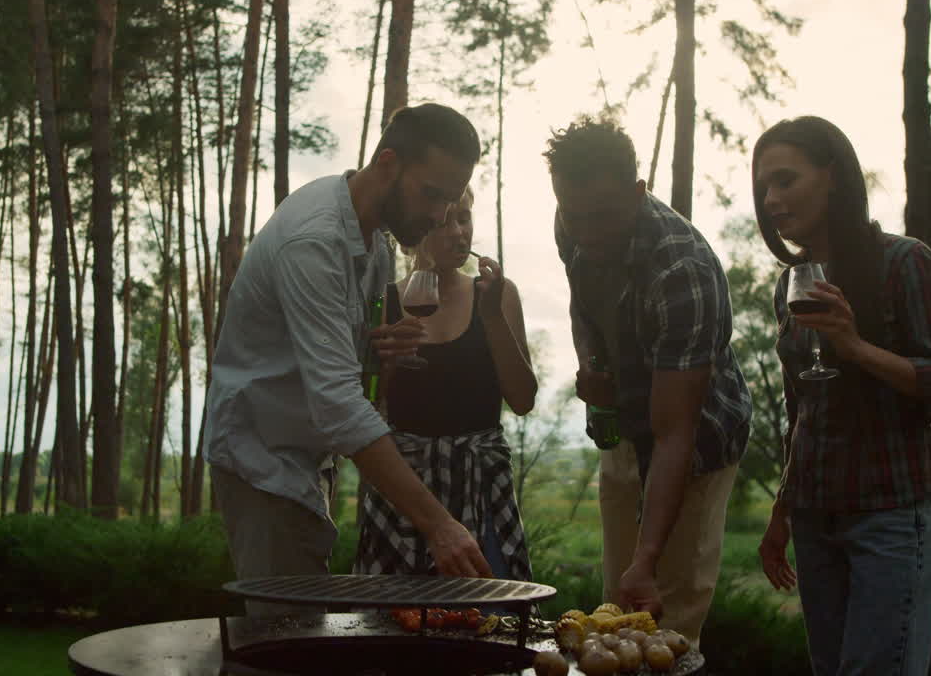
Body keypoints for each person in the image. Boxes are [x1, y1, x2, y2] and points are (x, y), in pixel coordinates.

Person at [202, 103, 493, 616]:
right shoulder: (314, 241)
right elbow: (337, 404)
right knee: (285, 644)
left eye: (449, 201)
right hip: (262, 459)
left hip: (307, 458)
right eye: (432, 194)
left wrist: (380, 356)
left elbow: (354, 379)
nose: (438, 217)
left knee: (303, 633)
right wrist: (439, 524)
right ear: (387, 165)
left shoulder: (375, 246)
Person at [751, 116, 931, 676]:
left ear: (831, 176)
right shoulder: (792, 284)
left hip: (893, 517)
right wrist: (782, 514)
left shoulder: (906, 263)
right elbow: (802, 410)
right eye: (764, 188)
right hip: (816, 518)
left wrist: (854, 347)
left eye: (785, 180)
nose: (772, 200)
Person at [545, 116, 752, 647]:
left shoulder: (682, 270)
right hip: (626, 428)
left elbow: (675, 435)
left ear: (639, 192)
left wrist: (647, 558)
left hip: (693, 442)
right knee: (617, 612)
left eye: (604, 217)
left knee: (667, 621)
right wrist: (592, 362)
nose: (588, 236)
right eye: (575, 217)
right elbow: (583, 304)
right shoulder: (571, 222)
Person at [354, 187, 538, 580]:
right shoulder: (384, 302)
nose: (459, 232)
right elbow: (364, 407)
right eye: (445, 222)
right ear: (418, 229)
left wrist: (491, 318)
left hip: (483, 486)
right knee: (393, 623)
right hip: (406, 489)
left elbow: (522, 399)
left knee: (490, 621)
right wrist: (387, 364)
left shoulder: (497, 297)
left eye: (465, 218)